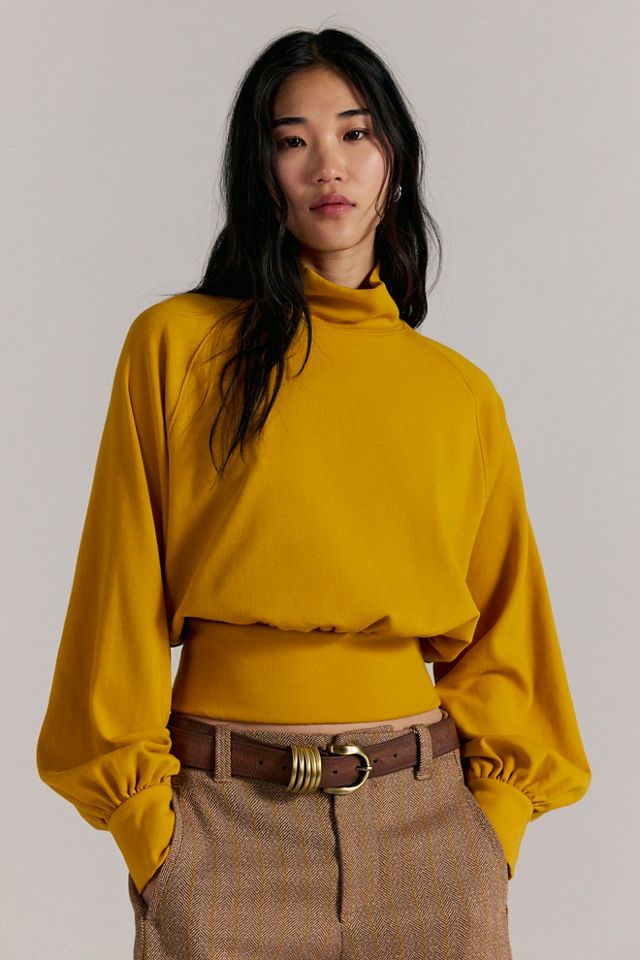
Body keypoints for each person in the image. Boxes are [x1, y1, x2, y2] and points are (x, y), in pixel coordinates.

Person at [36, 26, 591, 960]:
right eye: (292, 140)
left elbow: (509, 632)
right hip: (220, 830)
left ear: (394, 162)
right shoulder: (175, 347)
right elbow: (116, 595)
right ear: (262, 174)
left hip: (429, 833)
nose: (327, 164)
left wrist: (490, 830)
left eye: (354, 133)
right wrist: (152, 835)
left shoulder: (458, 394)